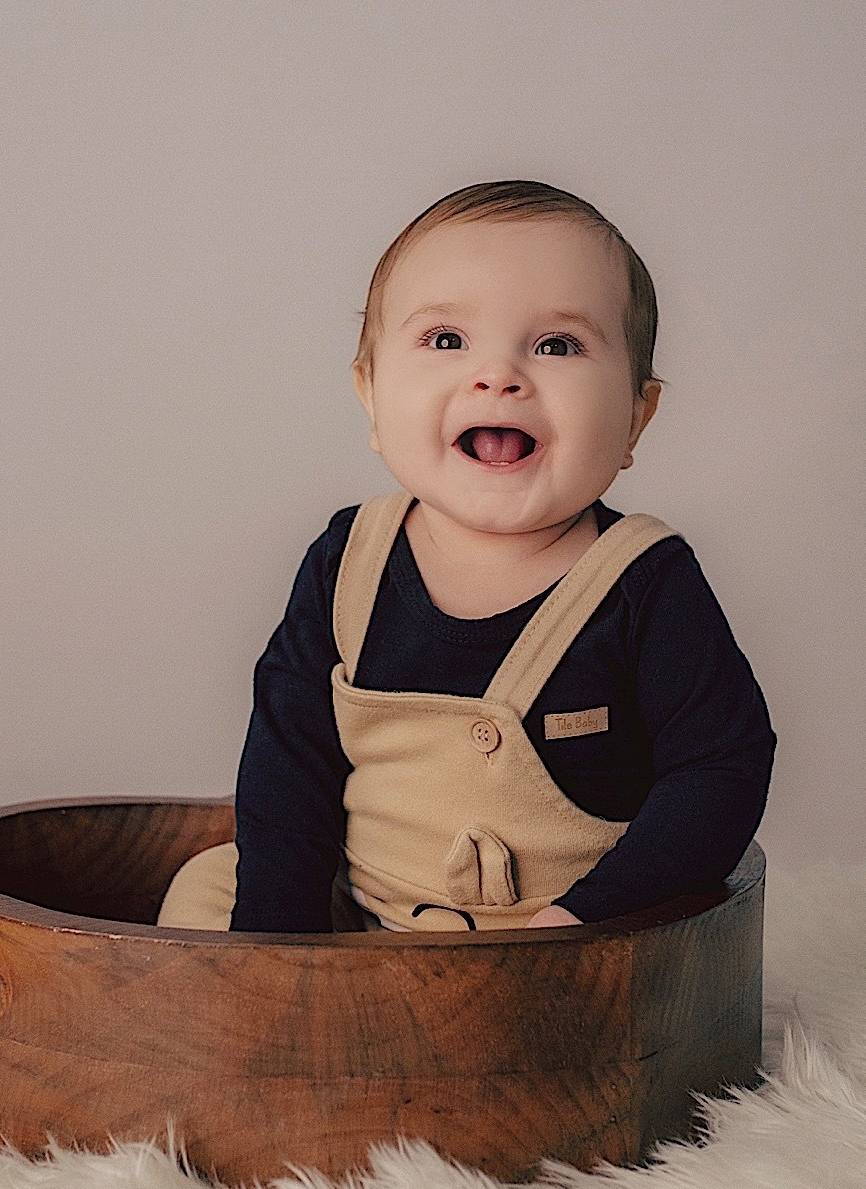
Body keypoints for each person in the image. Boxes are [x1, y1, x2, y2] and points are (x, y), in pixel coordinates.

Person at [157, 181, 776, 934]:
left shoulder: (643, 583)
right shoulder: (348, 563)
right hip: (358, 914)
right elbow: (290, 760)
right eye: (446, 340)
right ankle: (261, 1025)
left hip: (552, 941)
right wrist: (278, 943)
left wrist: (581, 920)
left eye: (557, 345)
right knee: (211, 884)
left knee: (614, 978)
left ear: (635, 419)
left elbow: (719, 772)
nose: (499, 375)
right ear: (371, 395)